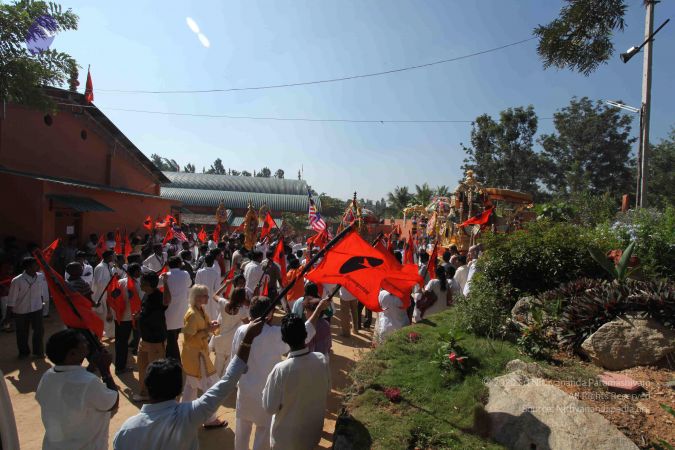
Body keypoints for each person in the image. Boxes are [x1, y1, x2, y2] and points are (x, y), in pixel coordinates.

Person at [113, 318, 265, 450]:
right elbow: (228, 380)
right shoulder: (189, 415)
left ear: (147, 385)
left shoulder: (126, 431)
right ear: (179, 389)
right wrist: (247, 339)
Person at [231, 296, 326, 450]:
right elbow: (304, 333)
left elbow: (234, 361)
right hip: (265, 393)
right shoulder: (274, 334)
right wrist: (319, 309)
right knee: (263, 432)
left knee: (242, 430)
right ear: (269, 314)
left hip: (244, 390)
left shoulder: (241, 331)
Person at [36, 329, 119, 450]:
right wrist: (105, 371)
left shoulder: (47, 376)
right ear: (72, 354)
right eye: (83, 342)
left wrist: (91, 368)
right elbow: (112, 403)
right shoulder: (89, 382)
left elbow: (72, 388)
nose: (88, 343)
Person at [262, 313, 331, 450]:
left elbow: (269, 407)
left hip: (285, 441)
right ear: (305, 335)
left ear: (284, 339)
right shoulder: (321, 359)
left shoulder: (281, 370)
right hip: (312, 435)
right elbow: (327, 389)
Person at [180, 285, 226, 428]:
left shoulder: (200, 310)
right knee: (210, 386)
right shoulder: (192, 314)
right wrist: (208, 330)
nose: (207, 297)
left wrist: (210, 326)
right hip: (196, 356)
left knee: (191, 386)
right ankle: (210, 419)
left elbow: (202, 328)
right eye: (205, 295)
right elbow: (188, 338)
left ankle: (183, 415)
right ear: (197, 297)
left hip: (197, 355)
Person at [132, 271, 168, 402]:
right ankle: (145, 393)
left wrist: (166, 283)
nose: (140, 285)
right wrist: (139, 315)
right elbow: (145, 312)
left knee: (156, 370)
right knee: (142, 368)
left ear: (149, 285)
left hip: (155, 342)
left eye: (143, 283)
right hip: (144, 339)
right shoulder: (146, 295)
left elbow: (167, 302)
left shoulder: (159, 297)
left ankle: (157, 396)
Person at [6, 257, 48, 358]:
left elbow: (41, 292)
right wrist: (8, 316)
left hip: (37, 308)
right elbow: (11, 299)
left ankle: (38, 352)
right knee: (22, 332)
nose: (38, 266)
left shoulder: (40, 276)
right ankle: (23, 352)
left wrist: (42, 303)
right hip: (21, 310)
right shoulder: (17, 280)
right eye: (35, 265)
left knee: (39, 331)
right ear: (28, 267)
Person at [210, 287, 249, 377]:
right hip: (231, 342)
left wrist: (226, 284)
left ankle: (214, 382)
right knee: (227, 367)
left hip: (220, 339)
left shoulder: (223, 303)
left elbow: (214, 295)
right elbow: (248, 324)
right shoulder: (242, 312)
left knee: (217, 365)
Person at [114, 263, 142, 375]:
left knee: (120, 342)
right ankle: (120, 367)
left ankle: (120, 365)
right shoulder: (137, 284)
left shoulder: (120, 282)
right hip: (130, 317)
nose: (140, 273)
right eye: (139, 271)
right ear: (135, 272)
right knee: (124, 342)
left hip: (120, 317)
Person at [163, 256, 192, 360]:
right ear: (179, 264)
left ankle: (171, 358)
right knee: (174, 337)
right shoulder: (185, 274)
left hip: (169, 312)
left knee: (171, 337)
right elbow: (189, 284)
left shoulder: (165, 276)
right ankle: (173, 358)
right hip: (182, 311)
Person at [195, 254, 220, 320]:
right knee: (212, 316)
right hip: (212, 297)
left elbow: (197, 286)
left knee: (202, 314)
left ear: (205, 262)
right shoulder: (216, 273)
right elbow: (217, 288)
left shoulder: (199, 272)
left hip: (201, 296)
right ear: (213, 262)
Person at [92, 250, 114, 323]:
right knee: (102, 318)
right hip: (101, 295)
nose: (114, 257)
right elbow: (98, 283)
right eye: (113, 256)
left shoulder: (108, 265)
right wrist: (110, 282)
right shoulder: (100, 267)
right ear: (109, 257)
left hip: (108, 294)